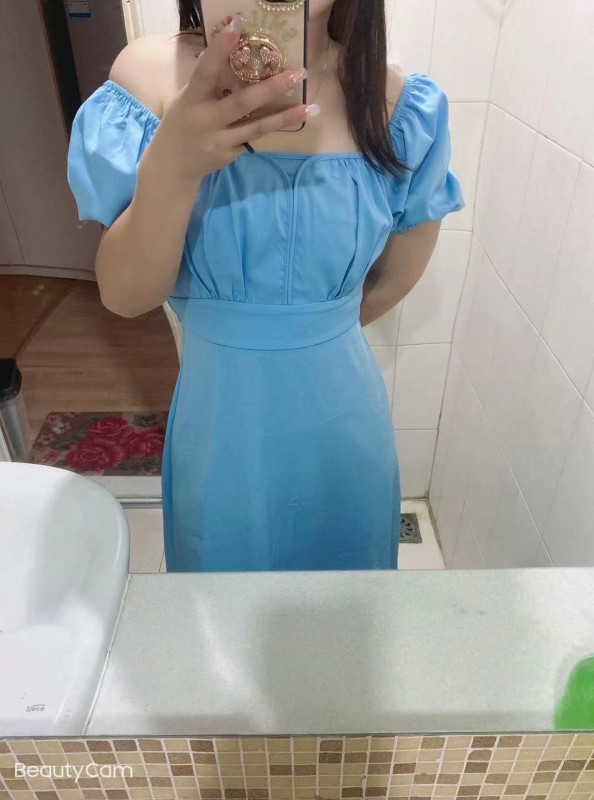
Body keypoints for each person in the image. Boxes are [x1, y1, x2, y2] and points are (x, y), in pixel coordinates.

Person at [67, 0, 465, 573]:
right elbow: (126, 296)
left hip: (344, 432)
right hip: (219, 432)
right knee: (221, 606)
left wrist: (306, 332)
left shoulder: (398, 106)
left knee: (343, 608)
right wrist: (172, 167)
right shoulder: (148, 81)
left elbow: (392, 281)